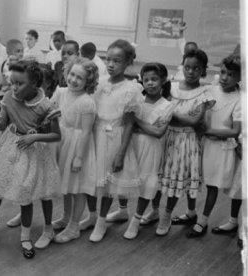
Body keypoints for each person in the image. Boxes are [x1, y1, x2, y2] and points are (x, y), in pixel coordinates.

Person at [0, 60, 61, 258]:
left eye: (19, 83)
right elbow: (3, 123)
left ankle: (25, 236)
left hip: (32, 152)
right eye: (12, 82)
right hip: (9, 147)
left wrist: (34, 136)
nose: (14, 87)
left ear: (34, 84)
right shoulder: (8, 96)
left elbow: (56, 136)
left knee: (25, 193)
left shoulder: (46, 105)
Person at [156, 49, 215, 236]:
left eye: (196, 68)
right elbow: (160, 112)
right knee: (160, 178)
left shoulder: (205, 92)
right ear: (182, 66)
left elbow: (194, 120)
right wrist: (174, 115)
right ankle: (160, 212)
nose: (190, 72)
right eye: (187, 67)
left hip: (187, 141)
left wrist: (172, 111)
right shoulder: (171, 87)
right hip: (167, 137)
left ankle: (166, 214)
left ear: (203, 71)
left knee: (180, 178)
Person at [89, 39, 143, 242]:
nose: (111, 64)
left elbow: (130, 124)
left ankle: (101, 222)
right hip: (96, 135)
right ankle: (93, 216)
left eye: (117, 61)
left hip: (115, 139)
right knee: (94, 182)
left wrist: (121, 153)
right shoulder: (99, 83)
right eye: (108, 59)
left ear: (128, 62)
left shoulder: (131, 89)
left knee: (108, 185)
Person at [116, 63, 174, 239]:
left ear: (162, 81)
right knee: (125, 177)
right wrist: (135, 124)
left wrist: (136, 121)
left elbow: (157, 132)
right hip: (132, 145)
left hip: (152, 149)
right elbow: (125, 124)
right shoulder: (137, 100)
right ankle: (122, 210)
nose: (150, 83)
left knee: (147, 183)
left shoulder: (167, 105)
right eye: (146, 79)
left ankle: (136, 219)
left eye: (154, 79)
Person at [188, 54, 241, 237]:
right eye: (223, 72)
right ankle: (190, 212)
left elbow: (234, 131)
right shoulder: (211, 89)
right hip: (203, 144)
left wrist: (208, 131)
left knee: (212, 185)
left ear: (241, 77)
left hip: (221, 148)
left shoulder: (240, 99)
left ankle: (203, 221)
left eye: (232, 75)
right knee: (194, 179)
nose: (225, 78)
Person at [49, 57, 98, 243]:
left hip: (78, 146)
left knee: (78, 188)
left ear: (88, 82)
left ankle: (74, 226)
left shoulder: (87, 102)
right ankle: (65, 217)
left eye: (80, 78)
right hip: (62, 141)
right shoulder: (61, 92)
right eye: (72, 74)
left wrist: (78, 157)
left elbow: (85, 132)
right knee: (67, 185)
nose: (74, 80)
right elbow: (50, 110)